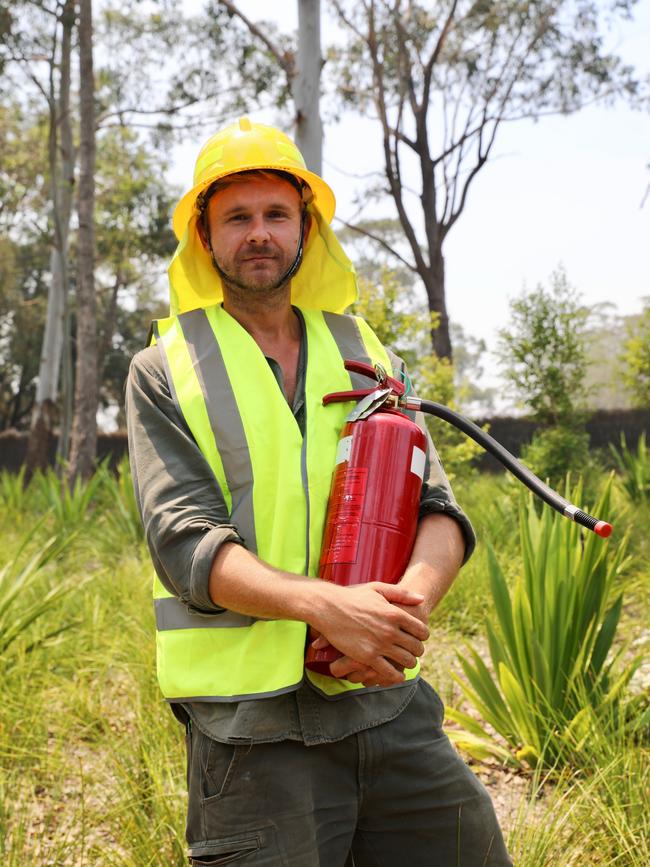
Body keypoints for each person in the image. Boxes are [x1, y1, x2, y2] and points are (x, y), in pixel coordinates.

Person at [126, 117, 511, 866]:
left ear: (307, 228)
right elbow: (185, 545)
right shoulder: (165, 367)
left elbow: (438, 507)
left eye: (277, 214)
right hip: (252, 733)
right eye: (237, 217)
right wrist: (327, 608)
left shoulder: (363, 351)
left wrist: (402, 616)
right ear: (205, 237)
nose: (259, 233)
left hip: (387, 706)